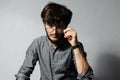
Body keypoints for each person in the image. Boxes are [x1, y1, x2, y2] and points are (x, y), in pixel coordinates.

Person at [15, 2, 94, 80]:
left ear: (65, 26)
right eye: (50, 26)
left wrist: (75, 46)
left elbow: (86, 76)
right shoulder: (37, 44)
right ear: (45, 24)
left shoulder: (75, 45)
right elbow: (23, 74)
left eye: (59, 26)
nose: (54, 32)